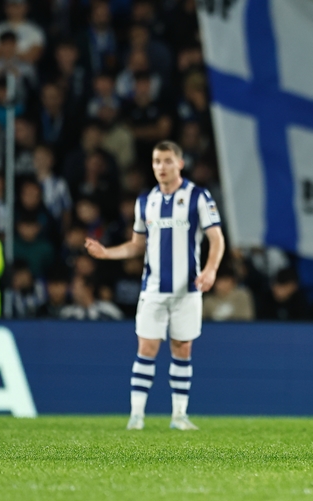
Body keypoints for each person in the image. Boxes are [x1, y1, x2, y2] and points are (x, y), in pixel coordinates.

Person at [85, 140, 225, 431]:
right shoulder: (144, 201)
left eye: (167, 161)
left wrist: (210, 270)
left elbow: (216, 239)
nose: (161, 167)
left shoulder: (199, 196)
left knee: (182, 348)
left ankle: (179, 415)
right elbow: (138, 246)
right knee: (146, 347)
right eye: (156, 162)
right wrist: (107, 252)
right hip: (153, 289)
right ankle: (136, 416)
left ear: (180, 163)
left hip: (188, 289)